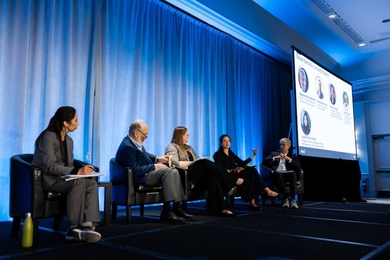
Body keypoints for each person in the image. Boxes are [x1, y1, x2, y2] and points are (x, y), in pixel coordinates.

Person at [32, 106, 101, 243]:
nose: (78, 123)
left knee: (91, 184)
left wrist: (82, 170)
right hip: (49, 179)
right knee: (79, 181)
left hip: (64, 178)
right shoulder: (48, 137)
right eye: (76, 120)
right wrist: (76, 172)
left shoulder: (69, 141)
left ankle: (87, 226)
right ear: (65, 123)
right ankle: (73, 227)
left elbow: (69, 165)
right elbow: (50, 166)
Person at [115, 120, 194, 224]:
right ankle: (166, 212)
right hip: (140, 176)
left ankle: (177, 208)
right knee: (168, 172)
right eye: (145, 135)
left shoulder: (134, 142)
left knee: (174, 170)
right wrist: (155, 166)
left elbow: (145, 154)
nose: (146, 138)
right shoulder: (127, 147)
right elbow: (135, 171)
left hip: (146, 173)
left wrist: (158, 158)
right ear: (136, 133)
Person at [165, 127, 244, 216]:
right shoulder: (172, 146)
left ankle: (221, 208)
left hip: (196, 175)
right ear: (180, 135)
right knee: (204, 163)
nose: (188, 137)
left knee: (211, 177)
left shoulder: (189, 148)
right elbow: (173, 162)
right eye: (187, 135)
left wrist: (197, 162)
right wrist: (192, 163)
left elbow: (198, 159)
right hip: (184, 174)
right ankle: (232, 179)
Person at [213, 134, 278, 210]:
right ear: (221, 143)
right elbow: (219, 168)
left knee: (252, 171)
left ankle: (255, 202)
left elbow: (242, 163)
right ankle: (264, 193)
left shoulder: (231, 153)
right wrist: (233, 170)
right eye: (224, 141)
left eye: (228, 141)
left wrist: (253, 155)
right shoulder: (217, 154)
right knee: (252, 175)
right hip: (228, 176)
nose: (227, 143)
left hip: (236, 173)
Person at [262, 138, 301, 209]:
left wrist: (289, 159)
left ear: (288, 146)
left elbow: (298, 167)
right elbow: (264, 161)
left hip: (288, 174)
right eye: (280, 145)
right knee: (278, 174)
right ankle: (285, 199)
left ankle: (293, 200)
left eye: (283, 145)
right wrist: (275, 158)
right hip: (277, 175)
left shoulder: (292, 156)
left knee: (292, 174)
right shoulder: (274, 154)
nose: (281, 146)